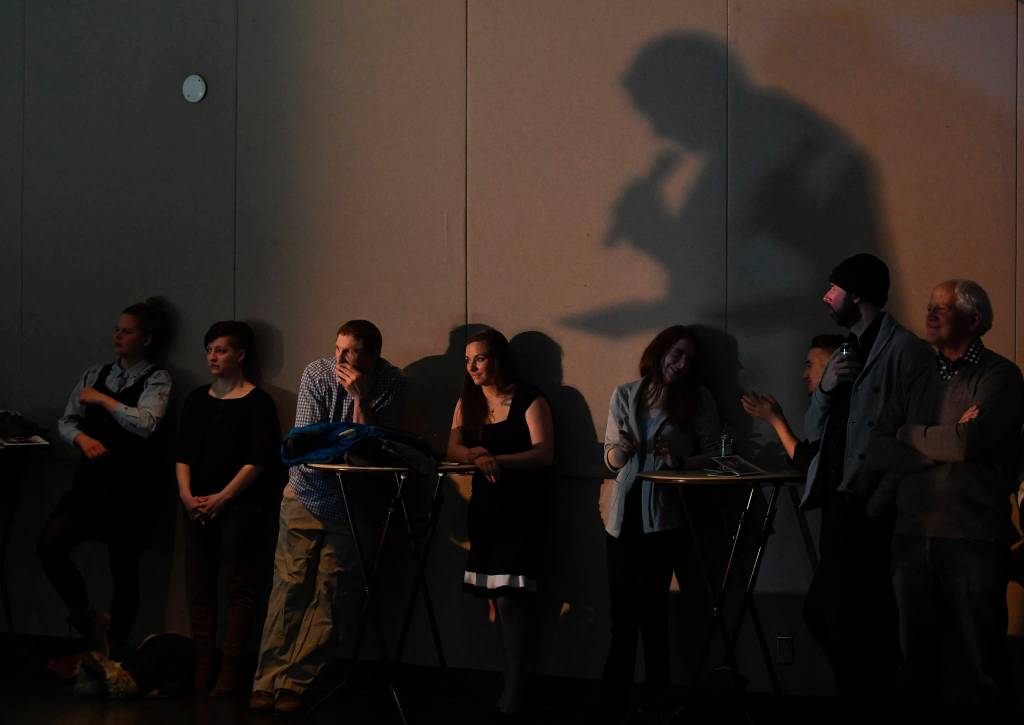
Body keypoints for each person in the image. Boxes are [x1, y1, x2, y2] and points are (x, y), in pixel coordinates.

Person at [866, 280, 1023, 716]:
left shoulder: (1000, 376)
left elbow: (965, 446)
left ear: (973, 320)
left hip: (971, 536)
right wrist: (936, 447)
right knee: (916, 661)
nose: (931, 314)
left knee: (981, 662)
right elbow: (878, 446)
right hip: (913, 533)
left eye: (944, 308)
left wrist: (910, 435)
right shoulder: (920, 374)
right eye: (930, 306)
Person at [250, 320, 407, 713]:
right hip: (307, 492)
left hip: (352, 503)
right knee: (289, 586)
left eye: (349, 351)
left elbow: (369, 452)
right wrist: (343, 444)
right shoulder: (317, 373)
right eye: (337, 348)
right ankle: (266, 679)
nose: (338, 358)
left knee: (331, 593)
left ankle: (295, 682)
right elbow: (308, 442)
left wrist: (360, 401)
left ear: (370, 356)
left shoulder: (390, 383)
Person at [800, 254, 931, 706]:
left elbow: (913, 433)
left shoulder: (905, 350)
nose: (826, 296)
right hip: (838, 497)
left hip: (869, 501)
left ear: (857, 294)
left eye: (833, 288)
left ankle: (872, 697)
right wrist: (828, 386)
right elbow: (815, 429)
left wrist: (881, 498)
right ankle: (867, 695)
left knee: (858, 614)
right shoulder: (844, 350)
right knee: (831, 612)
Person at [600, 325, 721, 719]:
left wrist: (680, 463)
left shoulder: (697, 399)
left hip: (664, 519)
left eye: (689, 358)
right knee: (622, 616)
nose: (681, 363)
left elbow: (715, 453)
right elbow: (610, 461)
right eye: (677, 353)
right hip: (623, 515)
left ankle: (656, 697)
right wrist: (623, 449)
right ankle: (614, 701)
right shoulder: (627, 394)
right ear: (661, 350)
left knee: (653, 612)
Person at [38, 300, 172, 654]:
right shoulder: (95, 373)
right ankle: (85, 617)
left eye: (127, 331)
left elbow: (147, 424)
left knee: (123, 566)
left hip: (131, 486)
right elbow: (68, 420)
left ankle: (117, 648)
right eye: (117, 329)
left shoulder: (156, 378)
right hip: (91, 482)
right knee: (50, 544)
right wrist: (82, 439)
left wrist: (105, 401)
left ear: (146, 338)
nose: (118, 336)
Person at [447, 329, 554, 717]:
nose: (472, 367)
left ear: (498, 359)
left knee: (511, 598)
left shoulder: (529, 397)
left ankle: (515, 687)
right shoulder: (469, 401)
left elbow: (544, 453)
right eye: (467, 360)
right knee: (496, 601)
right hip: (486, 510)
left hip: (522, 509)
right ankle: (509, 680)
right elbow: (452, 446)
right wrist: (476, 454)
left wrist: (496, 460)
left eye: (479, 358)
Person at [176, 321, 282, 695]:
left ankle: (231, 668)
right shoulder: (196, 400)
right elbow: (183, 453)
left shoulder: (258, 403)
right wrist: (188, 497)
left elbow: (259, 459)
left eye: (220, 350)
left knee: (240, 585)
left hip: (240, 507)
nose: (212, 357)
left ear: (241, 354)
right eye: (209, 350)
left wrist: (223, 498)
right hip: (197, 506)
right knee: (199, 586)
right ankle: (203, 662)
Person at [741, 334, 844, 472]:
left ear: (832, 369)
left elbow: (809, 462)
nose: (804, 375)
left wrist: (776, 419)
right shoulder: (823, 410)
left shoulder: (845, 412)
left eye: (810, 365)